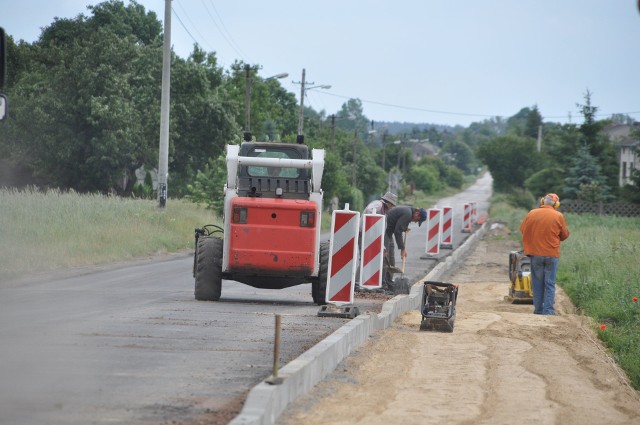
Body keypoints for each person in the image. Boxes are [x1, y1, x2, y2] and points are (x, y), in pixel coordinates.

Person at [519, 193, 570, 315]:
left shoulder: (531, 213)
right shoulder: (559, 215)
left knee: (537, 283)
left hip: (535, 254)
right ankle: (548, 311)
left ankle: (538, 310)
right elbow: (564, 235)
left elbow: (522, 230)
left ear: (543, 201)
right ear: (556, 204)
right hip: (552, 254)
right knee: (550, 283)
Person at [382, 205, 427, 289]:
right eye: (417, 220)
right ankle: (382, 283)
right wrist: (402, 249)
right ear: (417, 214)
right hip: (384, 231)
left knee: (391, 257)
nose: (415, 222)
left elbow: (399, 225)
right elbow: (397, 231)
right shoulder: (407, 213)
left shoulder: (409, 212)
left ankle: (388, 282)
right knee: (385, 256)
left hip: (389, 232)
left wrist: (404, 228)